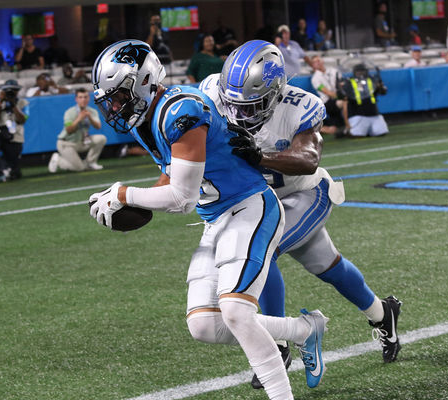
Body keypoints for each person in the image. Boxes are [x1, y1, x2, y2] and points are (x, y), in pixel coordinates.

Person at [90, 39, 328, 399]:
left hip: (251, 207)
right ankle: (304, 330)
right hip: (218, 216)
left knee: (235, 312)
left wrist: (125, 195)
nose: (115, 106)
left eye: (119, 95)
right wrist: (125, 203)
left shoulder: (180, 111)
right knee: (203, 324)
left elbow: (181, 199)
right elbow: (174, 181)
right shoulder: (146, 119)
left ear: (142, 82)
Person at [200, 41, 402, 390]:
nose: (239, 114)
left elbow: (309, 159)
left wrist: (257, 157)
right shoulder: (211, 91)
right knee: (330, 267)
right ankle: (383, 314)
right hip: (257, 199)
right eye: (234, 104)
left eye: (252, 105)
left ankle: (278, 346)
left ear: (276, 92)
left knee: (262, 247)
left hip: (304, 193)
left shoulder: (300, 105)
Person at [48, 88, 106, 173]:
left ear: (89, 98)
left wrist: (89, 117)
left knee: (101, 138)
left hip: (81, 141)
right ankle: (58, 160)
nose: (83, 99)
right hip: (67, 143)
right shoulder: (70, 112)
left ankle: (90, 162)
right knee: (79, 168)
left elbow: (98, 126)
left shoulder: (91, 111)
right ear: (76, 99)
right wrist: (79, 119)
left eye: (85, 97)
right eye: (80, 97)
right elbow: (69, 130)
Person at [0, 79, 29, 182]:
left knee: (15, 172)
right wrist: (0, 102)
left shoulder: (23, 103)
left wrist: (13, 104)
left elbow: (22, 120)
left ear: (17, 91)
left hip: (14, 136)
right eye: (8, 91)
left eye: (13, 90)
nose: (11, 93)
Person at [341, 63, 389, 137]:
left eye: (362, 71)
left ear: (366, 71)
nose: (360, 74)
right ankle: (349, 131)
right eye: (358, 72)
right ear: (354, 73)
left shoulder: (373, 80)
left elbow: (383, 92)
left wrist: (380, 87)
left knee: (382, 132)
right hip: (358, 115)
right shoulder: (349, 82)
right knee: (358, 135)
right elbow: (342, 96)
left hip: (374, 114)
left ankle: (369, 130)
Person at [310, 55, 344, 135]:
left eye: (318, 60)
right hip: (328, 102)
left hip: (338, 98)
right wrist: (341, 96)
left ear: (322, 61)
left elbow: (341, 84)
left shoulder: (334, 71)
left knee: (336, 128)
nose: (317, 63)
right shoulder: (315, 78)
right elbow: (327, 92)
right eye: (315, 62)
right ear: (313, 65)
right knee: (343, 102)